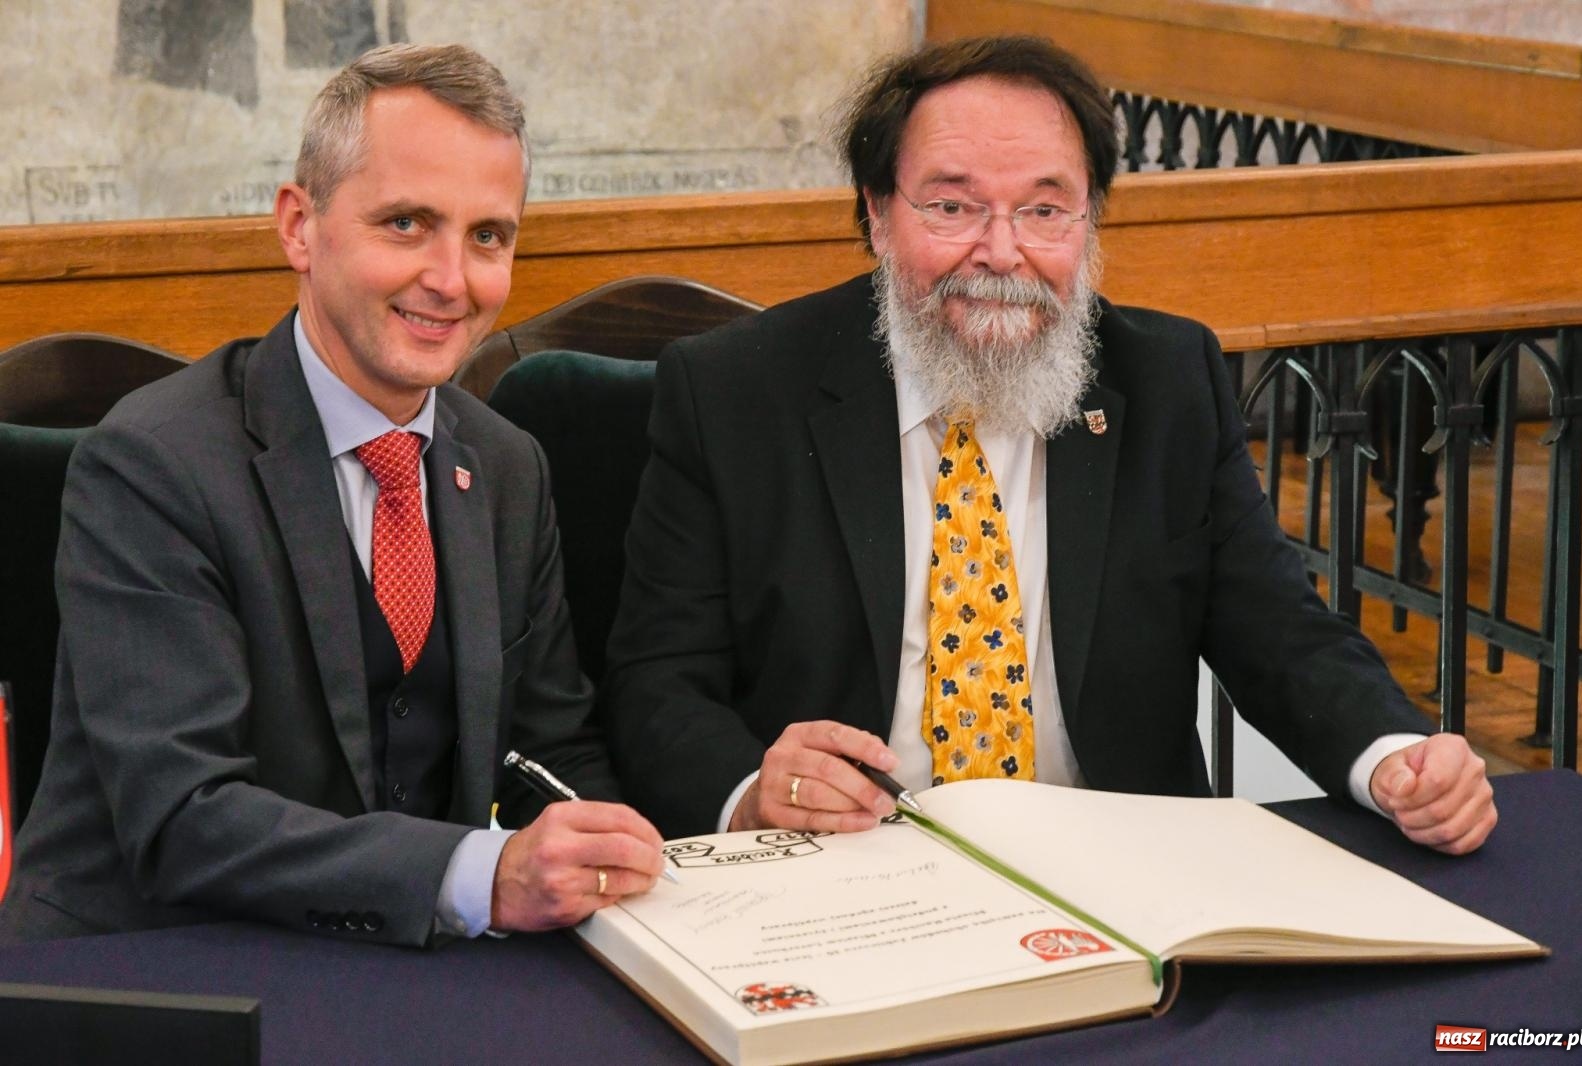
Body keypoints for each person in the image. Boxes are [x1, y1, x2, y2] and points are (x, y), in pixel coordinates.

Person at [604, 35, 1497, 855]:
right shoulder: (733, 392)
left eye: (1043, 210)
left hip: (1120, 875)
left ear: (1090, 222)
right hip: (847, 880)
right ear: (878, 214)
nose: (1002, 252)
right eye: (952, 206)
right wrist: (754, 790)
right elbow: (656, 683)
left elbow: (1280, 631)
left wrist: (1392, 757)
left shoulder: (1166, 379)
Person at [0, 43, 664, 947]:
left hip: (419, 970)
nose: (451, 279)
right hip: (159, 970)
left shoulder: (508, 465)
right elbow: (183, 817)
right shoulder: (150, 462)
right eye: (405, 223)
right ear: (299, 227)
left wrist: (624, 867)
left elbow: (552, 754)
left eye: (487, 236)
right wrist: (480, 874)